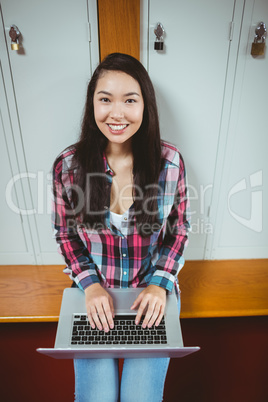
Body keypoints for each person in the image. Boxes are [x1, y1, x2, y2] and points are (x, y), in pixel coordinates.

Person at [52, 53, 190, 402]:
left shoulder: (169, 161)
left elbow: (179, 232)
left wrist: (160, 285)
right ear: (92, 104)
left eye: (130, 100)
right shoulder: (67, 166)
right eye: (105, 99)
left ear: (146, 105)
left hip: (150, 296)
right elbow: (66, 235)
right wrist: (91, 285)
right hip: (96, 297)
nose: (117, 113)